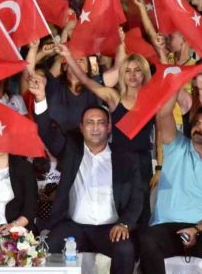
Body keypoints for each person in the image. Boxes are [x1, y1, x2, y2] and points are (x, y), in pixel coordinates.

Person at [29, 73, 141, 274]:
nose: (95, 127)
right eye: (90, 122)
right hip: (74, 227)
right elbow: (46, 131)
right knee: (51, 244)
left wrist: (125, 224)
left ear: (109, 128)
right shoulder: (71, 150)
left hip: (110, 228)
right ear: (81, 127)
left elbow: (137, 198)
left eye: (100, 122)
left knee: (125, 249)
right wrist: (40, 98)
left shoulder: (126, 159)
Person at [138, 93, 202, 274]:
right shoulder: (176, 146)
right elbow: (163, 115)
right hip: (167, 228)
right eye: (197, 123)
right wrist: (174, 86)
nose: (199, 128)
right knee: (147, 239)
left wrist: (196, 229)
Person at [57, 43, 153, 225]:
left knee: (142, 208)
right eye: (128, 71)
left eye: (137, 70)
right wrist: (68, 55)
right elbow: (86, 81)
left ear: (144, 73)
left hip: (143, 160)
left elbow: (162, 133)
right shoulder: (114, 97)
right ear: (122, 74)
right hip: (120, 159)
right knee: (121, 204)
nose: (132, 75)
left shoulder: (153, 100)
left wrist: (160, 168)